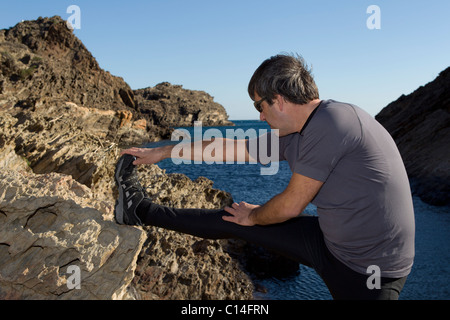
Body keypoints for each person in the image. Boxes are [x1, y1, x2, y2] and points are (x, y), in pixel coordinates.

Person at [115, 54, 415, 300]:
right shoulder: (297, 131)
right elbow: (230, 148)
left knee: (244, 219)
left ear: (279, 100)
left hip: (370, 271)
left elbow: (289, 207)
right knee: (230, 218)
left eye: (260, 106)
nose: (259, 116)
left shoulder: (332, 124)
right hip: (331, 241)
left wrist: (254, 217)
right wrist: (163, 152)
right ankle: (137, 209)